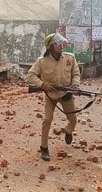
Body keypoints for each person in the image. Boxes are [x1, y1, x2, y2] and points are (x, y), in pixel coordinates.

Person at [26, 33, 80, 161]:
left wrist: (75, 86)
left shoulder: (70, 58)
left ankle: (68, 130)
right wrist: (43, 85)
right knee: (47, 119)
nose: (61, 46)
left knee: (73, 120)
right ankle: (44, 147)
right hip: (50, 95)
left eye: (61, 43)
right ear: (50, 47)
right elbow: (30, 76)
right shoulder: (42, 61)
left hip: (66, 93)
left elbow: (76, 74)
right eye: (57, 44)